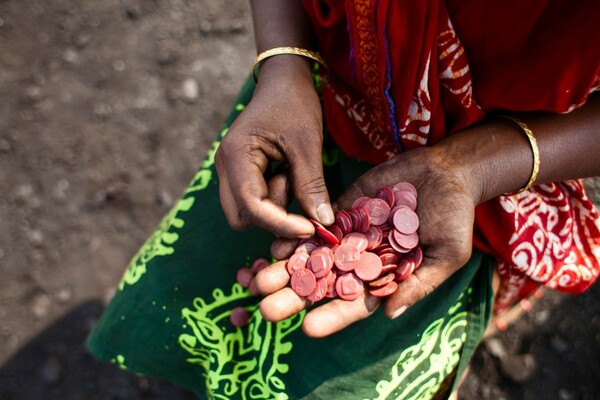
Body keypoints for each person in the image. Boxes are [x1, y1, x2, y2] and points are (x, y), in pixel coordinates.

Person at [88, 1, 600, 398]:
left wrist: (472, 169)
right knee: (196, 293)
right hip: (311, 112)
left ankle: (479, 329)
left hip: (498, 186)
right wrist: (283, 63)